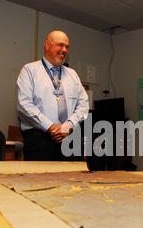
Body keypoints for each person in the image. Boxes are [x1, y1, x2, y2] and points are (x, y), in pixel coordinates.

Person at [17, 30, 89, 160]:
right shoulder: (30, 70)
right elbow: (24, 104)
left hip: (70, 138)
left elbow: (84, 105)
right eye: (60, 45)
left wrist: (68, 126)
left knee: (74, 179)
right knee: (40, 179)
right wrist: (50, 127)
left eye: (67, 47)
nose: (64, 50)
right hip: (39, 140)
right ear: (47, 45)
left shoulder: (73, 74)